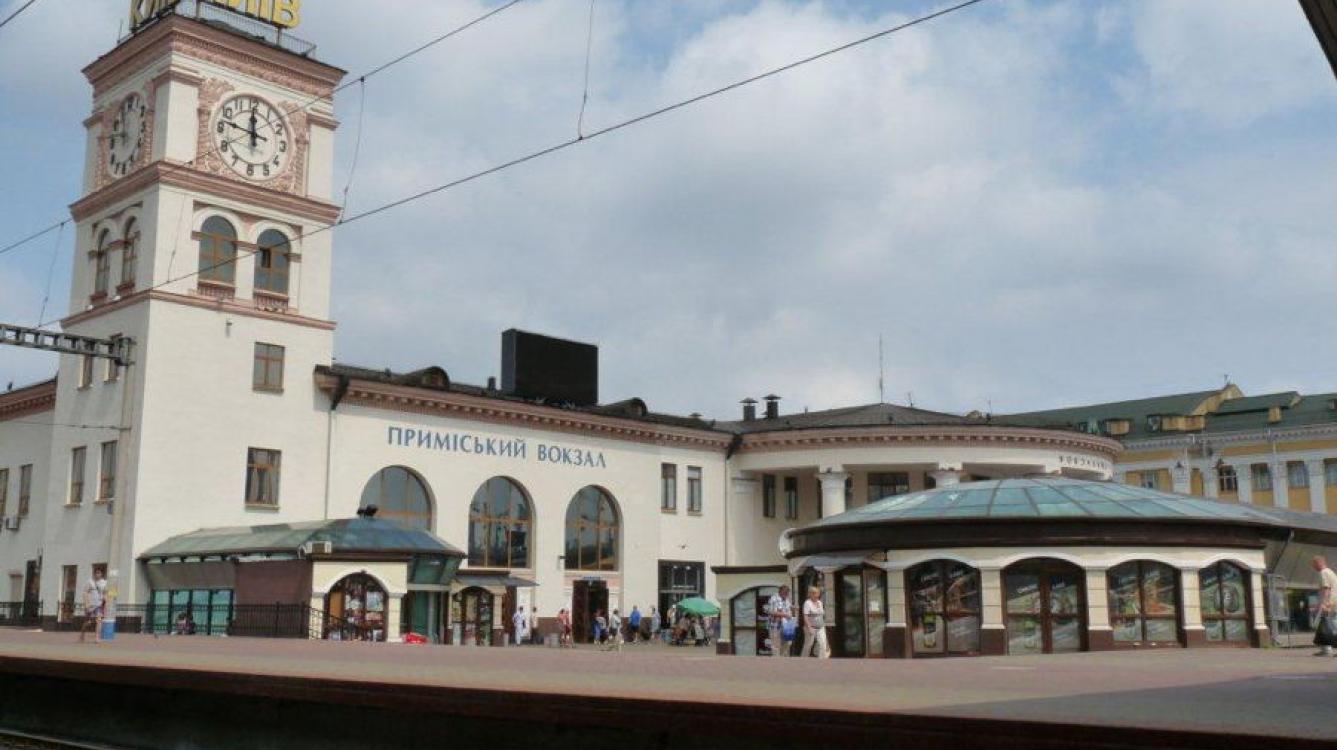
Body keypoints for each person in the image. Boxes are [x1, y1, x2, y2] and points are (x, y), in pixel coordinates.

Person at [1313, 556, 1337, 656]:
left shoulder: (1323, 572)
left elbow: (1326, 588)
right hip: (1334, 602)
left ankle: (1326, 649)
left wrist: (1324, 603)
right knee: (1329, 626)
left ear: (1319, 563)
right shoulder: (1331, 572)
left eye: (1314, 564)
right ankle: (1325, 648)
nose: (1313, 567)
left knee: (1326, 626)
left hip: (1329, 603)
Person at [78, 568, 107, 644]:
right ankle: (82, 634)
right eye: (96, 573)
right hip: (90, 605)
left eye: (99, 573)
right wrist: (86, 604)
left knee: (99, 621)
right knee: (88, 622)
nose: (97, 574)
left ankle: (97, 638)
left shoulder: (104, 583)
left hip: (99, 605)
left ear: (101, 574)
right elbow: (85, 593)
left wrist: (105, 598)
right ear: (94, 574)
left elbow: (105, 592)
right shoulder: (89, 582)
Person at [802, 586, 829, 658]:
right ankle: (803, 660)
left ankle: (821, 660)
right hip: (811, 627)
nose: (816, 595)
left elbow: (822, 614)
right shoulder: (807, 603)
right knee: (808, 645)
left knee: (822, 644)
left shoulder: (819, 603)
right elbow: (805, 616)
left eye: (817, 593)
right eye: (814, 593)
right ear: (810, 594)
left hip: (820, 626)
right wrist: (809, 627)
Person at [766, 585, 794, 657]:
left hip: (786, 626)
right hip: (775, 626)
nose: (787, 594)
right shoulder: (774, 599)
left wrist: (793, 608)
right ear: (781, 591)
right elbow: (771, 612)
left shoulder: (786, 599)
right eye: (786, 592)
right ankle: (776, 663)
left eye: (788, 593)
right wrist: (785, 615)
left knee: (787, 644)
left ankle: (784, 662)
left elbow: (787, 608)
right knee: (776, 645)